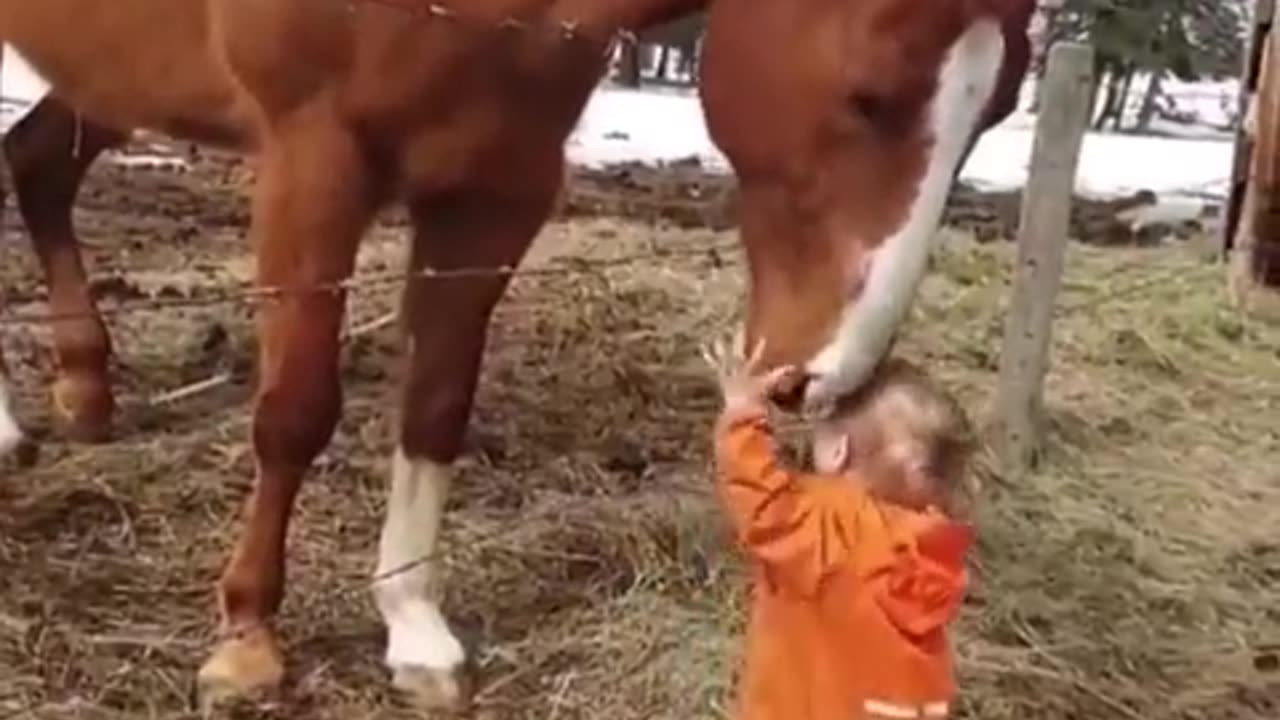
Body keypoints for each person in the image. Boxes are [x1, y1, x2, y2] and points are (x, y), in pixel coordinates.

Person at [706, 338, 978, 720]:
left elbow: (765, 506)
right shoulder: (930, 549)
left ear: (838, 450)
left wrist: (742, 414)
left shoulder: (833, 529)